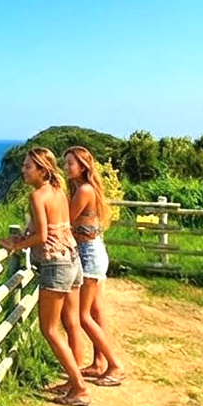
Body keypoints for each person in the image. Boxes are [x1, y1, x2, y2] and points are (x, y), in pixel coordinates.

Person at [0, 147, 91, 406]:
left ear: (42, 170)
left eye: (28, 167)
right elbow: (53, 227)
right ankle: (75, 380)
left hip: (55, 263)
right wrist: (24, 237)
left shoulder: (37, 195)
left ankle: (80, 389)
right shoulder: (59, 191)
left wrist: (15, 245)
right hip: (72, 258)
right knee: (70, 322)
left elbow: (41, 237)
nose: (23, 170)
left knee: (49, 329)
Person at [64, 146, 126, 386]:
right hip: (94, 251)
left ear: (83, 166)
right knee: (96, 310)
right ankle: (100, 362)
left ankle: (115, 365)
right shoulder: (85, 188)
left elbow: (65, 220)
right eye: (65, 162)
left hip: (90, 255)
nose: (66, 167)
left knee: (83, 315)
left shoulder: (84, 190)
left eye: (71, 163)